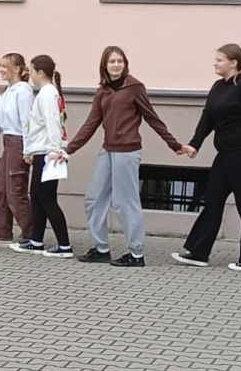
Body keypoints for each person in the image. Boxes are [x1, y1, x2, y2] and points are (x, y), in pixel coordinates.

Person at [64, 45, 190, 268]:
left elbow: (152, 117)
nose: (116, 65)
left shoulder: (134, 87)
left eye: (120, 61)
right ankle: (101, 249)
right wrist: (68, 150)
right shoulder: (102, 91)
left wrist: (174, 144)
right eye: (112, 61)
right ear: (104, 65)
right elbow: (90, 124)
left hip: (128, 152)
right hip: (108, 151)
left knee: (125, 203)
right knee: (94, 199)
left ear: (125, 64)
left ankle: (136, 253)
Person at [172, 43, 241, 271]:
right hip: (224, 155)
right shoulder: (218, 87)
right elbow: (207, 118)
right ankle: (198, 252)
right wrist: (194, 144)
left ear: (233, 63)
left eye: (219, 60)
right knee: (212, 200)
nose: (215, 64)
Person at [14, 54, 72, 258]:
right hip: (42, 151)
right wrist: (31, 150)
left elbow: (52, 122)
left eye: (31, 70)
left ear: (40, 72)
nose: (29, 74)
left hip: (48, 153)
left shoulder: (47, 93)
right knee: (37, 197)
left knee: (47, 198)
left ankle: (64, 246)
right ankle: (36, 240)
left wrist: (55, 149)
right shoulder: (48, 93)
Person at [0, 53, 36, 249]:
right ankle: (1, 234)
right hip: (8, 142)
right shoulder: (7, 92)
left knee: (15, 191)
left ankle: (32, 235)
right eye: (0, 66)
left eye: (5, 66)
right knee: (2, 191)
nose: (1, 70)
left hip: (19, 143)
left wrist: (28, 149)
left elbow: (26, 122)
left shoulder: (24, 92)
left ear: (18, 69)